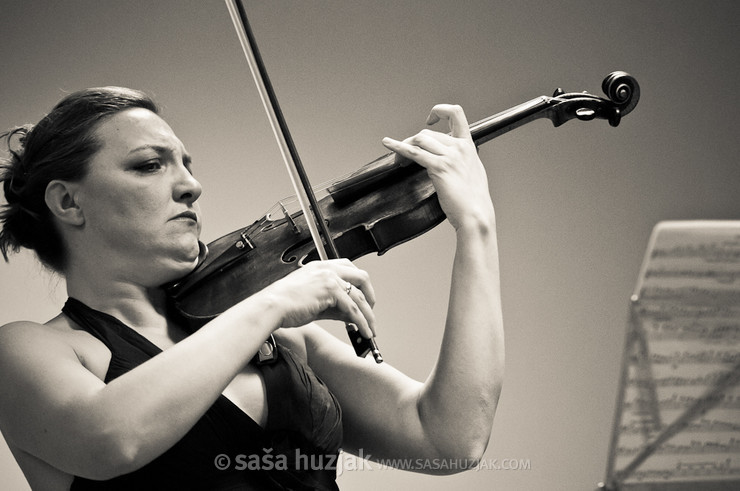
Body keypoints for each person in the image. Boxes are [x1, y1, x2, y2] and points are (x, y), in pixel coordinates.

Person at [0, 87, 504, 490]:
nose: (190, 185)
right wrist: (273, 303)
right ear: (68, 202)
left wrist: (476, 227)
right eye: (150, 165)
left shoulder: (282, 343)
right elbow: (111, 439)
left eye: (187, 165)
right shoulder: (29, 351)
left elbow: (448, 439)